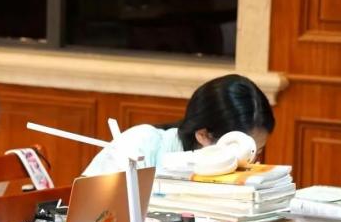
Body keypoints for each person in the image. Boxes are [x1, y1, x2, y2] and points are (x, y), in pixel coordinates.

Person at [83, 74, 275, 176]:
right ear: (203, 135)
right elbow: (89, 215)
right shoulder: (139, 146)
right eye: (239, 153)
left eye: (255, 153)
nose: (248, 164)